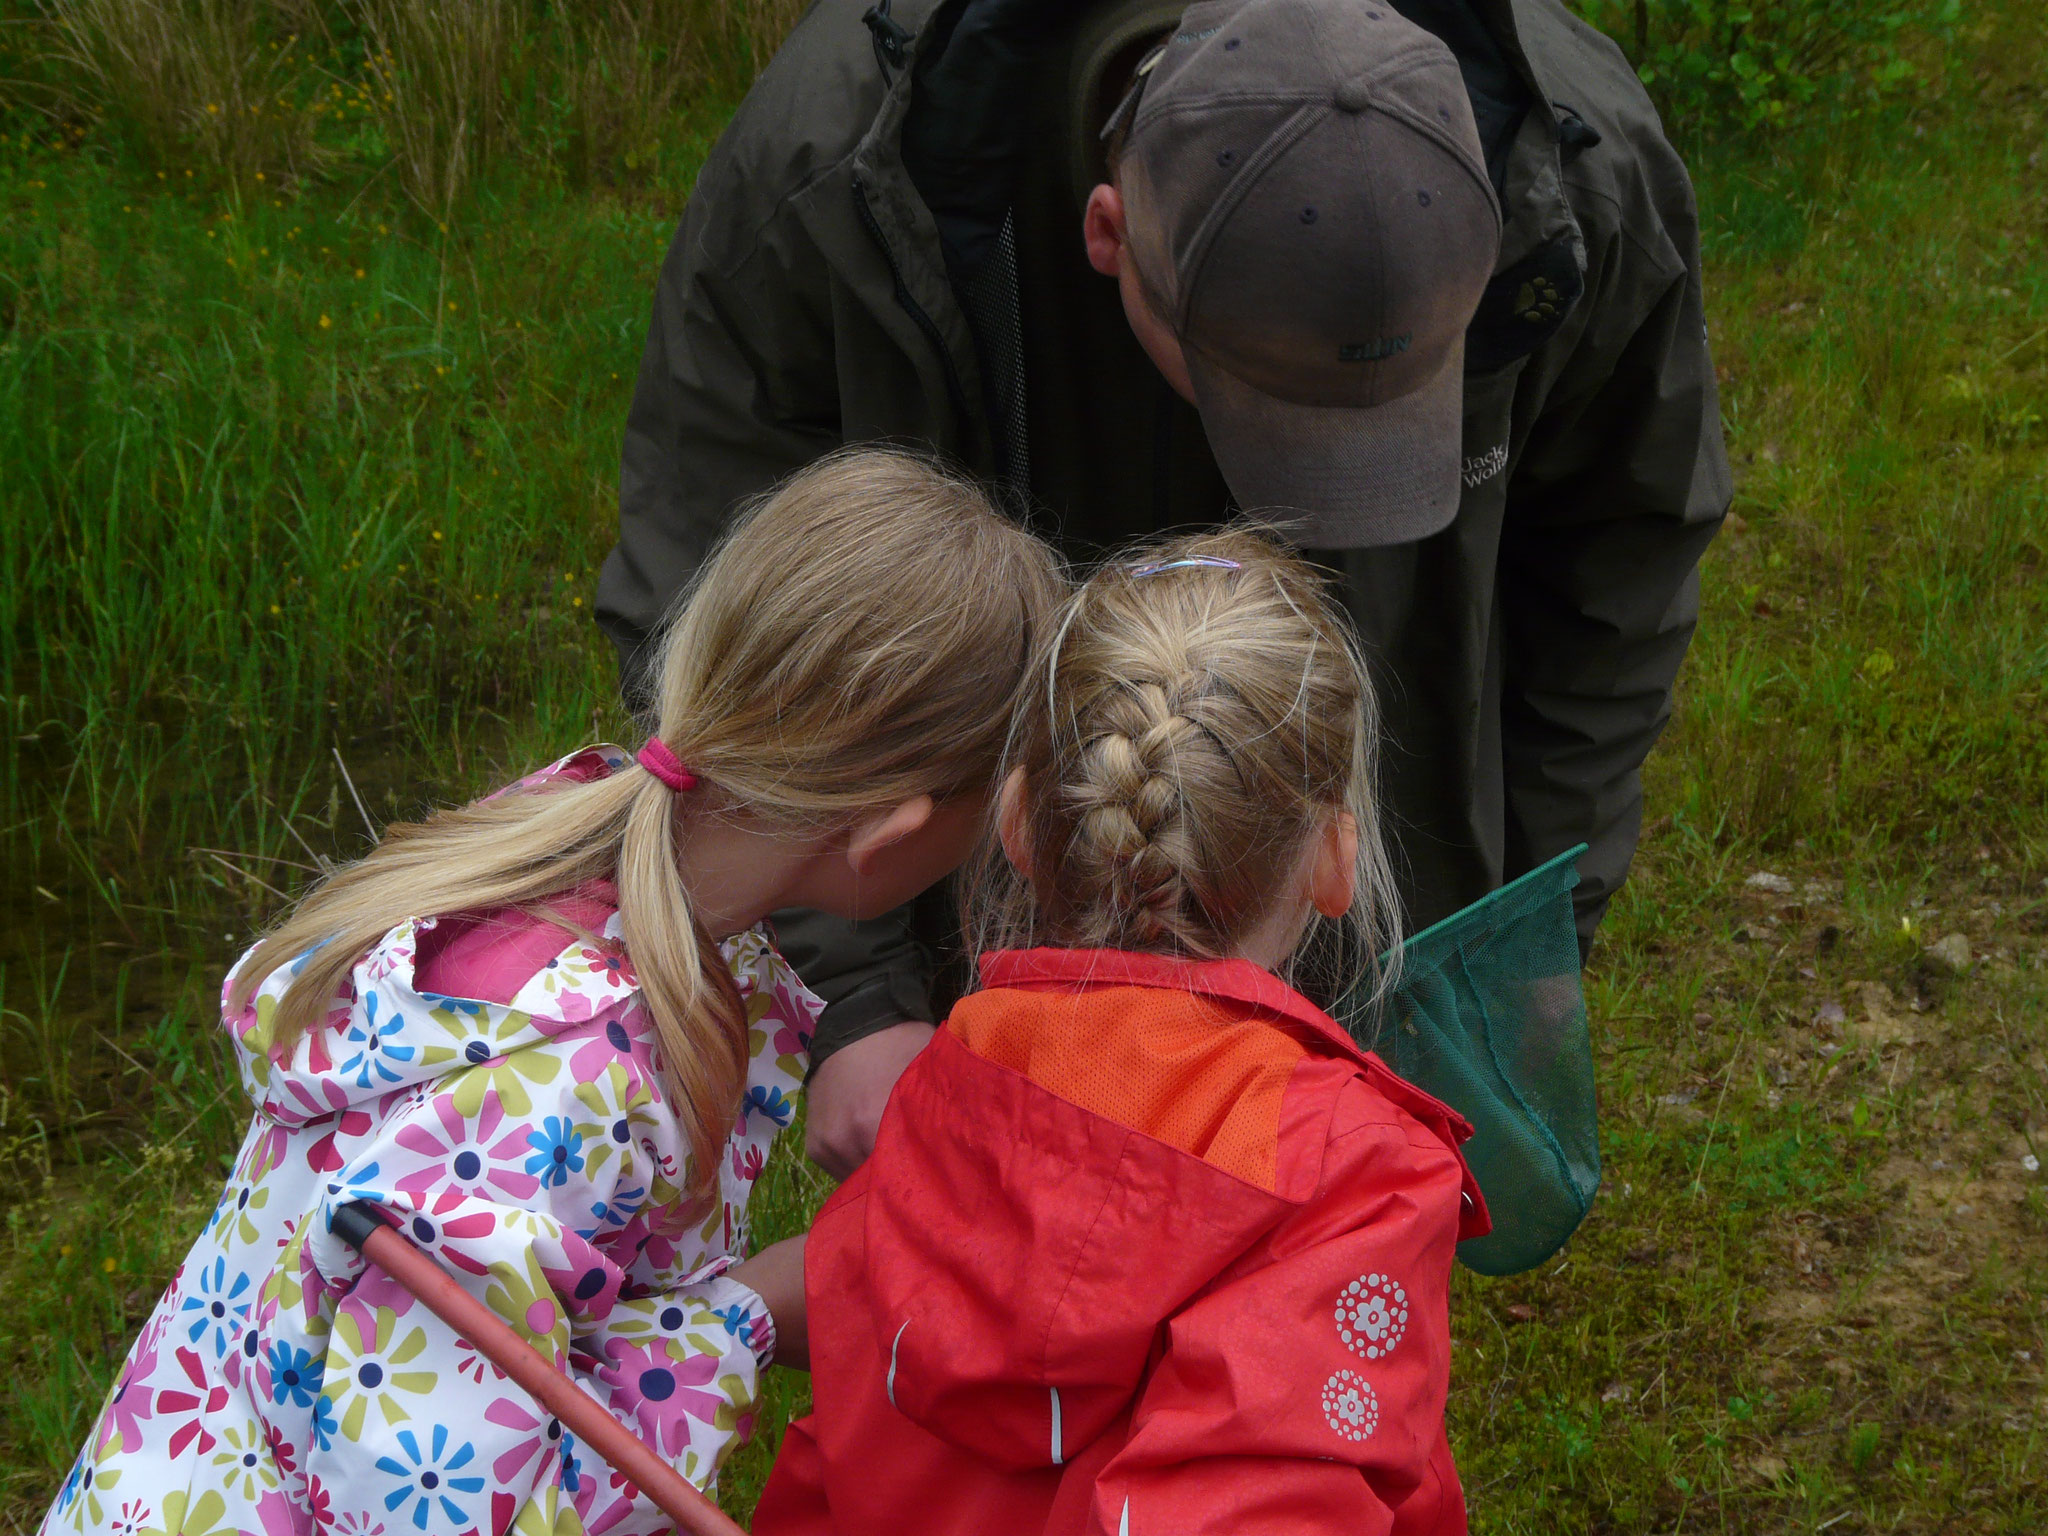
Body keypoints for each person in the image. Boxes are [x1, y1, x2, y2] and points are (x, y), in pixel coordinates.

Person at [597, 0, 1731, 1177]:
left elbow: (1618, 570)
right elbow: (712, 589)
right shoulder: (841, 166)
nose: (1315, 500)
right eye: (1259, 408)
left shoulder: (1573, 168)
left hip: (1360, 913)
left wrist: (1530, 934)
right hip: (984, 906)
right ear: (1105, 231)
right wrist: (854, 994)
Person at [41, 451, 1064, 1536]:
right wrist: (743, 1323)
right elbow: (435, 1511)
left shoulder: (578, 838)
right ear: (896, 832)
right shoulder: (560, 1089)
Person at [750, 529, 1489, 1535]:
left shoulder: (953, 1074)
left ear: (1016, 824)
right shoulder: (1346, 1168)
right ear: (1334, 860)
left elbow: (853, 1316)